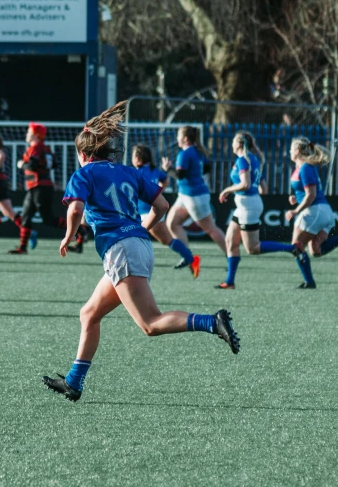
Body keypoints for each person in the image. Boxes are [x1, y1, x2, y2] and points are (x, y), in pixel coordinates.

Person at [42, 102, 240, 403]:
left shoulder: (83, 174)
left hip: (121, 252)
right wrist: (140, 227)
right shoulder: (128, 172)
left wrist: (68, 236)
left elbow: (76, 209)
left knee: (150, 324)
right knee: (89, 314)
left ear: (83, 154)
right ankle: (73, 382)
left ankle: (212, 322)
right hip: (139, 247)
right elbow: (162, 206)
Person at [215, 132, 297, 289]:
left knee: (252, 248)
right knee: (230, 241)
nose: (231, 144)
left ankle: (291, 248)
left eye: (233, 141)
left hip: (248, 205)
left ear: (239, 143)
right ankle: (230, 282)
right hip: (246, 205)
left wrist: (228, 190)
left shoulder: (242, 160)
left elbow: (245, 184)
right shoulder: (254, 160)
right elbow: (263, 189)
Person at [281, 137, 338, 288]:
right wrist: (296, 199)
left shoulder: (305, 167)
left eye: (291, 149)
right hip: (322, 211)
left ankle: (309, 282)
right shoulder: (302, 167)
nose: (289, 152)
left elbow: (311, 195)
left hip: (315, 211)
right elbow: (307, 193)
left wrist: (296, 210)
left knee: (296, 246)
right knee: (316, 250)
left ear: (297, 151)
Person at [164, 126, 226, 268]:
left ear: (185, 138)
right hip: (187, 195)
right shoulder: (197, 151)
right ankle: (188, 257)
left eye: (179, 135)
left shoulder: (184, 154)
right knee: (172, 223)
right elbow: (207, 168)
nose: (177, 138)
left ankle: (231, 255)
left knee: (210, 228)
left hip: (194, 196)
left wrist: (168, 169)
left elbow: (180, 175)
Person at [132, 144, 200, 277]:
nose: (132, 159)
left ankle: (191, 259)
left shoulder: (136, 172)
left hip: (146, 212)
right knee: (152, 239)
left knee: (164, 240)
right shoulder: (155, 171)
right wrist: (158, 191)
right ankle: (190, 258)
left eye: (134, 156)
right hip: (153, 210)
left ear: (138, 158)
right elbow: (165, 180)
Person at [9, 122, 66, 254]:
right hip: (39, 187)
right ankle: (23, 247)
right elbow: (54, 164)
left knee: (48, 219)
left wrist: (21, 164)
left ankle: (79, 230)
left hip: (39, 187)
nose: (26, 134)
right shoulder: (46, 148)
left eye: (29, 132)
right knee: (26, 216)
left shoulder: (35, 148)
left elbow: (32, 166)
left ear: (35, 135)